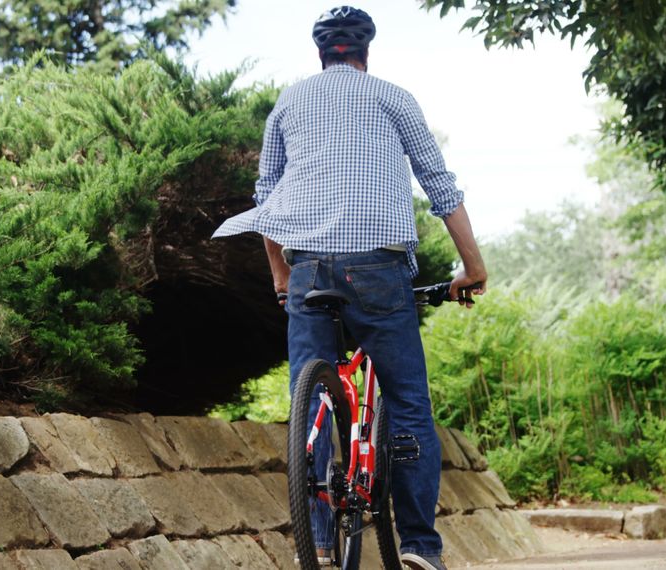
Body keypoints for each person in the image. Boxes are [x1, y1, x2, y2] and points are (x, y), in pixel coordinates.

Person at [213, 6, 487, 569]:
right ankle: (418, 549)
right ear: (366, 53)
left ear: (321, 53)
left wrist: (280, 274)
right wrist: (472, 268)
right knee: (409, 405)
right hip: (379, 272)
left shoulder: (290, 101)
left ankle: (316, 541)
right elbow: (439, 185)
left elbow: (267, 197)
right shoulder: (394, 97)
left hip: (309, 269)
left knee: (310, 401)